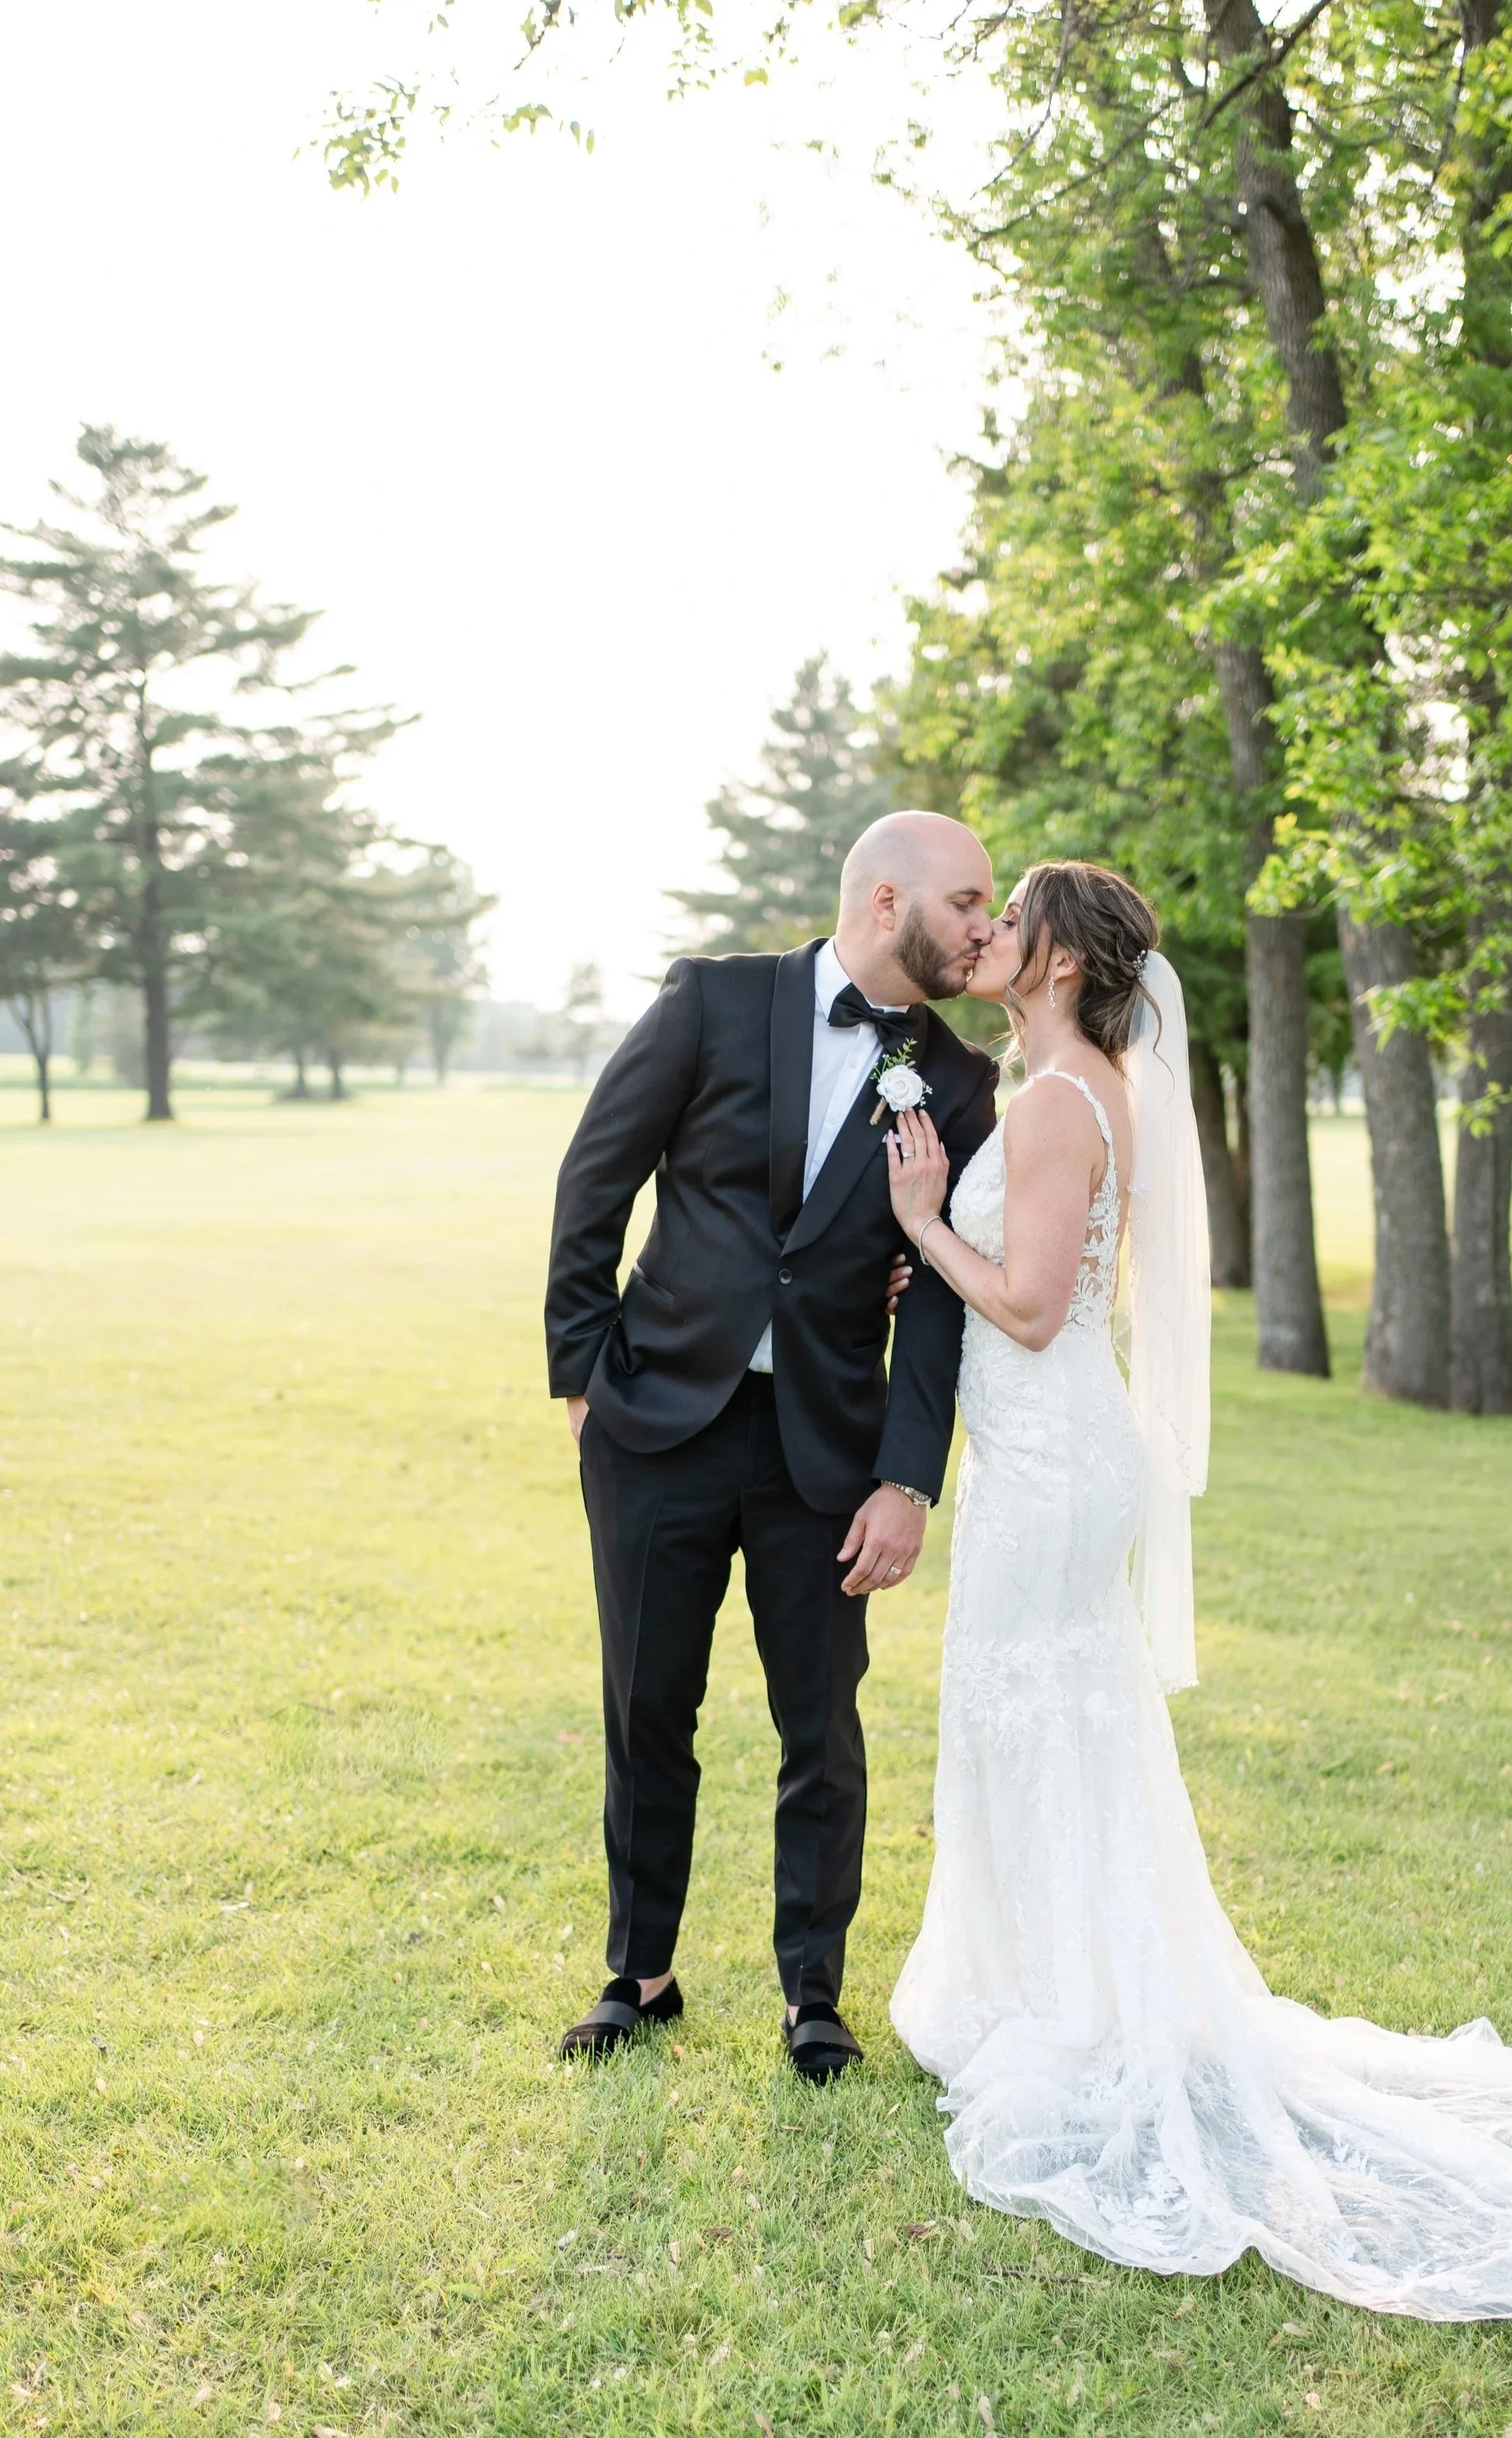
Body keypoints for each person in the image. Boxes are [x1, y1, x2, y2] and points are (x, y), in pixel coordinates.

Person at [881, 859, 1512, 2320]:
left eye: (1011, 918)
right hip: (1052, 1452)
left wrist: (927, 1224)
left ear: (1056, 962)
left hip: (1047, 1457)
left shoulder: (1054, 1102)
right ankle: (1046, 1984)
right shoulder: (1081, 1082)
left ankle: (1069, 2013)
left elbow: (1037, 1307)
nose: (986, 933)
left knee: (1031, 1713)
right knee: (1052, 1718)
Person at [545, 812, 999, 2081]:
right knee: (645, 1706)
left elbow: (947, 1296)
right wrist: (580, 1372)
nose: (985, 925)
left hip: (830, 1455)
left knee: (822, 1724)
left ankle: (815, 1993)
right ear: (886, 898)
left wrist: (909, 1478)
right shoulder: (712, 1002)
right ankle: (640, 1973)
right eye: (967, 900)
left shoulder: (960, 1081)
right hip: (655, 1426)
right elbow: (597, 1177)